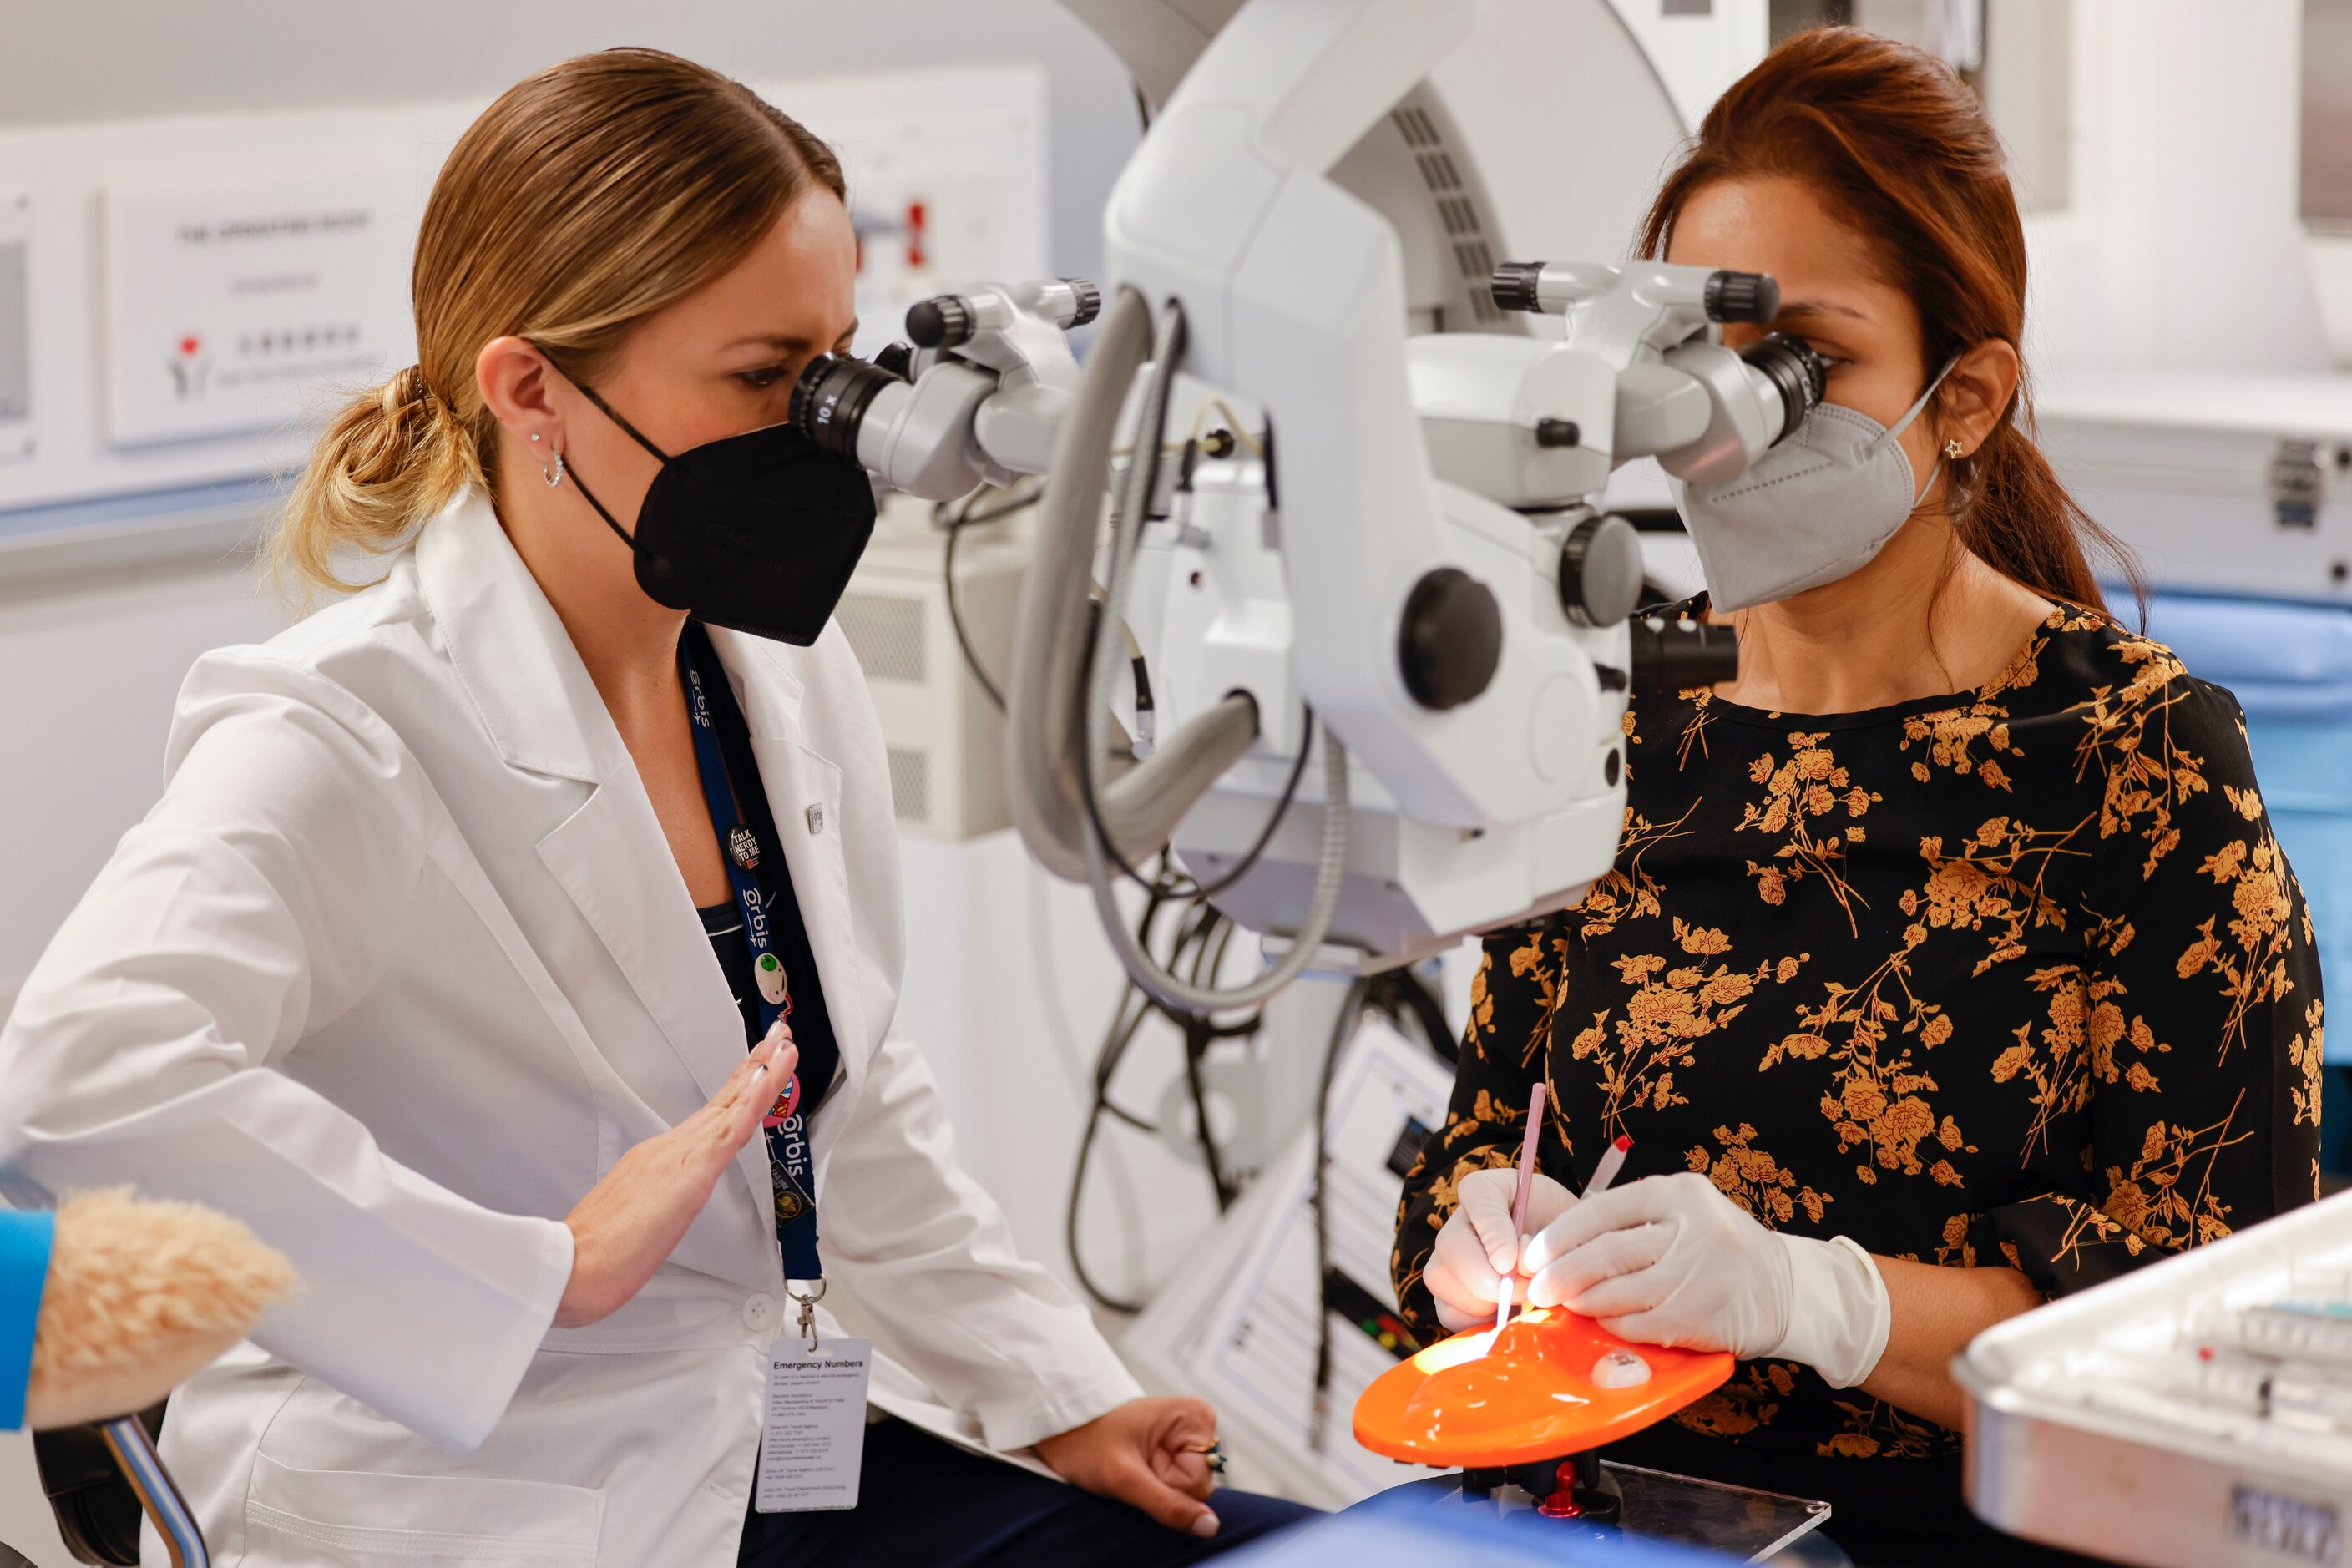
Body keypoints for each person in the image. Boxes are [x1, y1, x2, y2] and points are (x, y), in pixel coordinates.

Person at [0, 48, 1311, 1567]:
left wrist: (1056, 1393)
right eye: (767, 378)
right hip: (475, 1499)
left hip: (749, 1442)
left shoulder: (769, 676)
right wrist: (536, 1269)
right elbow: (77, 1077)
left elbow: (837, 1097)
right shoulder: (347, 728)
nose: (829, 429)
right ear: (532, 389)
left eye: (839, 364)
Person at [1393, 28, 2321, 1567]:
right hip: (1601, 1516)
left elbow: (2208, 1342)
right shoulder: (1622, 716)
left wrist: (1816, 1298)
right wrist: (1471, 1218)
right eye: (1697, 356)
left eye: (1797, 361)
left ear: (1963, 398)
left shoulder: (2134, 762)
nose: (1723, 420)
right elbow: (1495, 1122)